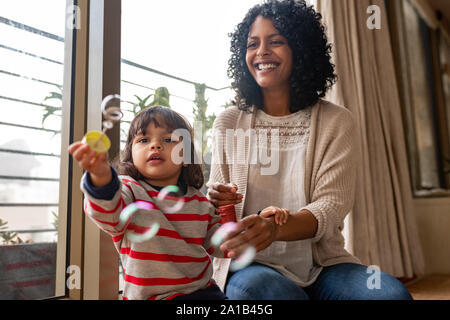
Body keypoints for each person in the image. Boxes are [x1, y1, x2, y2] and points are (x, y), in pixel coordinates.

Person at [207, 0, 413, 300]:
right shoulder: (228, 121)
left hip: (324, 264)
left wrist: (275, 229)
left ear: (301, 50)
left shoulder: (336, 121)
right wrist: (215, 199)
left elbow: (330, 206)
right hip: (250, 264)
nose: (262, 51)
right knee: (274, 294)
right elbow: (215, 215)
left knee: (390, 297)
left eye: (276, 41)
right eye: (253, 44)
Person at [69, 106, 228, 300]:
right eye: (144, 140)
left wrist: (249, 227)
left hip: (204, 292)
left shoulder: (199, 200)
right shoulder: (129, 189)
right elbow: (108, 213)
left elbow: (223, 243)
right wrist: (101, 176)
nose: (155, 145)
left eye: (168, 139)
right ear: (131, 155)